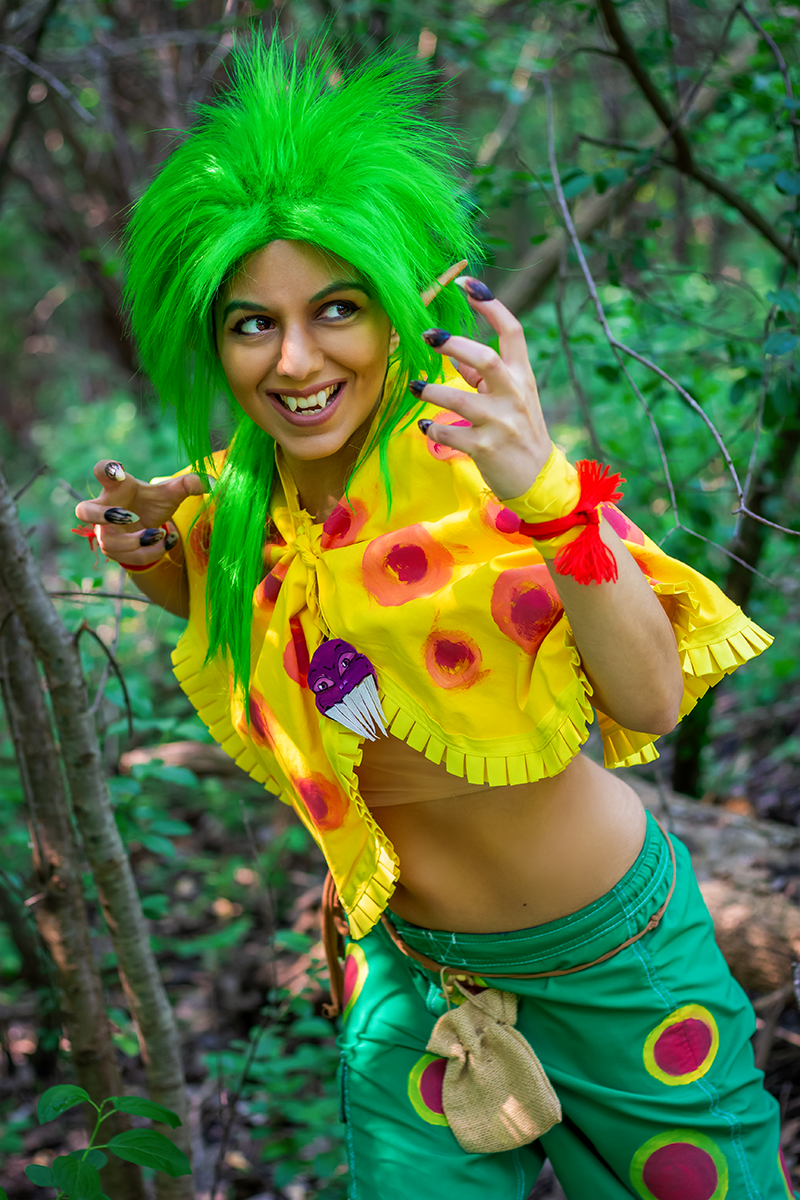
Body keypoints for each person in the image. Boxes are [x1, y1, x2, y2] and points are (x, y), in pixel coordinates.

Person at [75, 38, 792, 1200]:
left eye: (336, 309)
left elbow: (649, 699)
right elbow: (254, 632)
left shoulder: (478, 461)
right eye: (252, 322)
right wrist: (156, 549)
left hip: (617, 968)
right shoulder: (229, 501)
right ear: (207, 334)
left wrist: (548, 496)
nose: (295, 360)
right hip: (409, 980)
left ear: (399, 306)